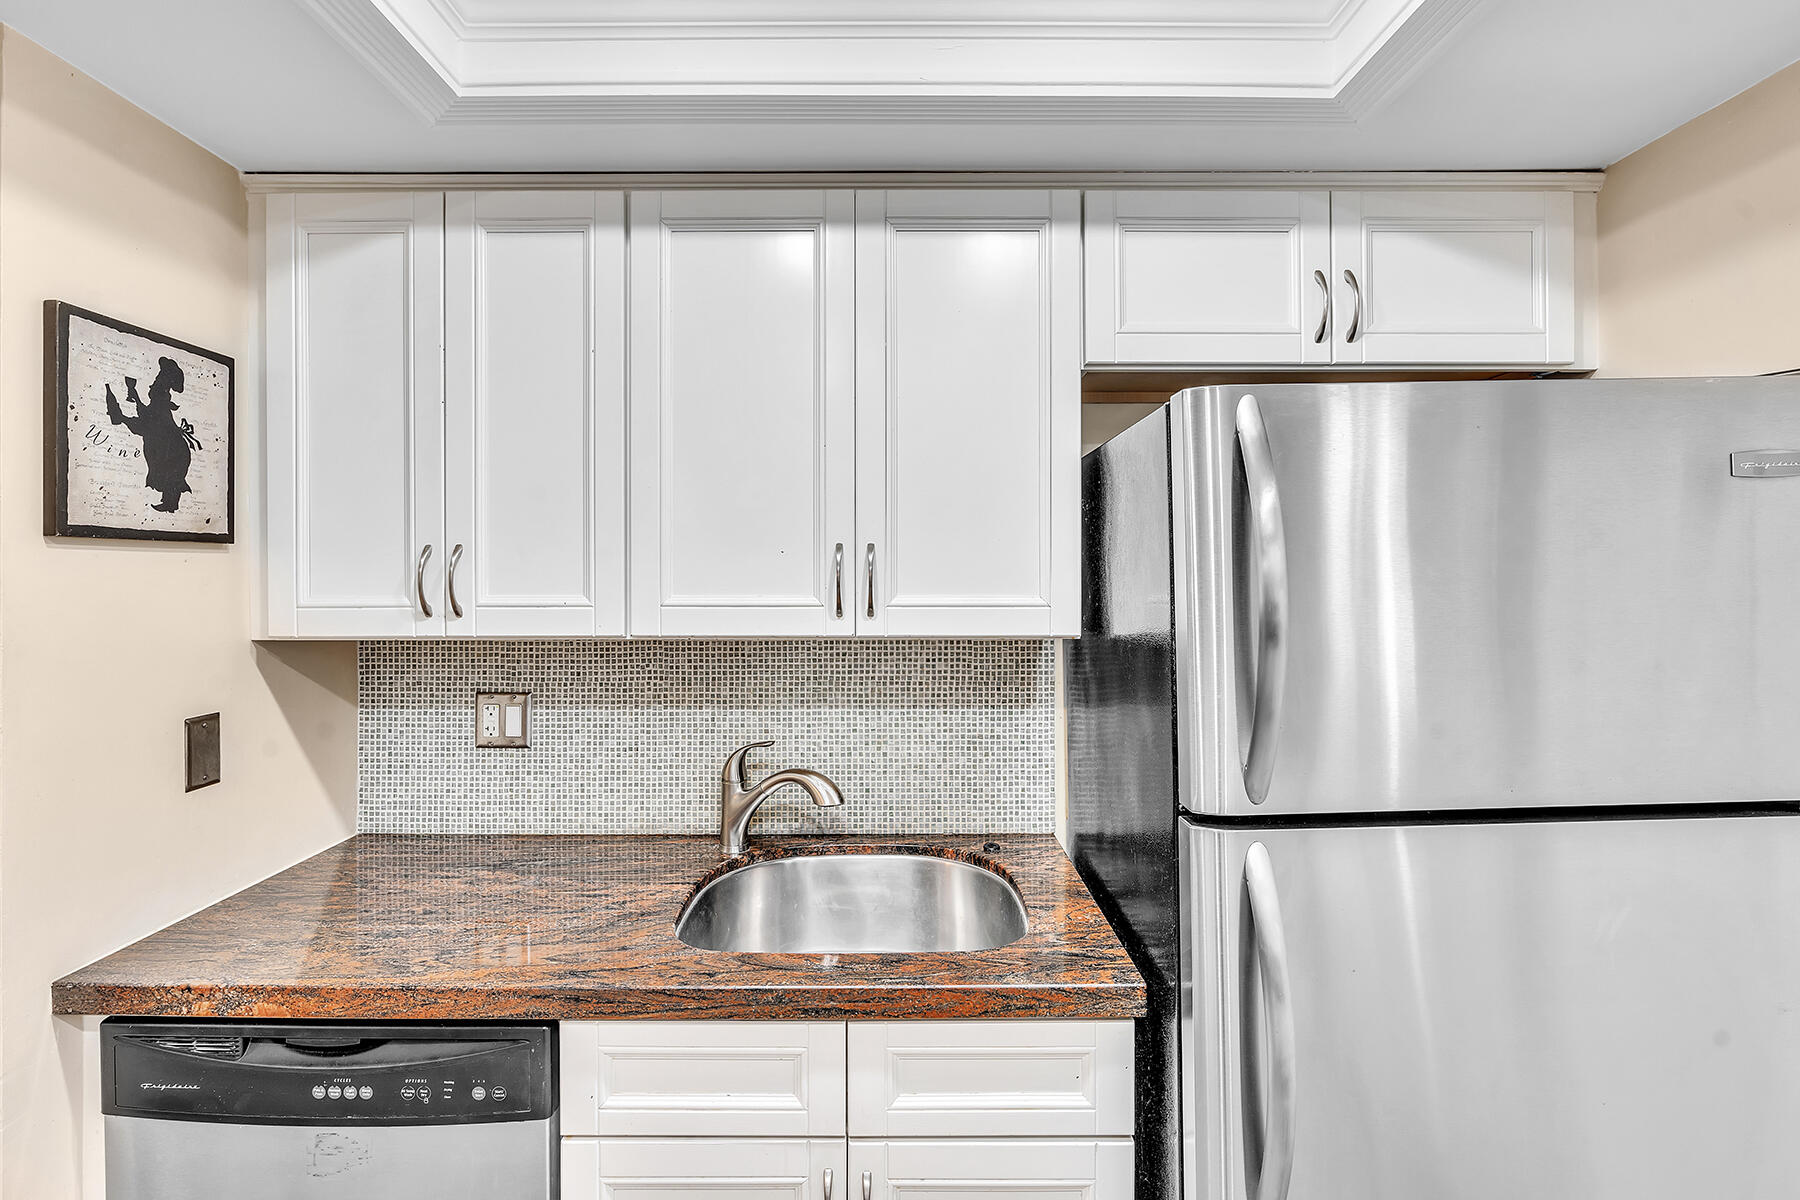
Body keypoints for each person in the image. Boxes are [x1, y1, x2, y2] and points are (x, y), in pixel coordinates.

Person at [105, 356, 197, 513]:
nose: (151, 386)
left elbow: (147, 423)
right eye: (154, 382)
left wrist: (126, 413)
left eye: (154, 383)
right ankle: (170, 503)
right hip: (171, 451)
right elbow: (148, 419)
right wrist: (133, 401)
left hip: (172, 453)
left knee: (171, 477)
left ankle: (170, 504)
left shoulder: (160, 402)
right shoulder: (159, 403)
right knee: (171, 477)